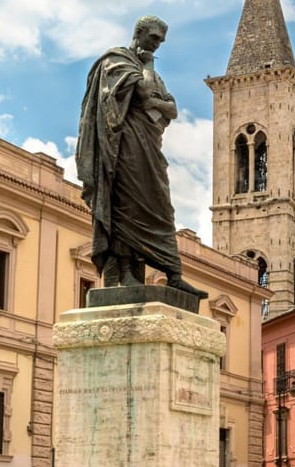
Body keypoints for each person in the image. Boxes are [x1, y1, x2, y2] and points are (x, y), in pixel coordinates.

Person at [76, 16, 208, 299]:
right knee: (128, 207)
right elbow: (145, 93)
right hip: (125, 150)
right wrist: (148, 69)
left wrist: (156, 102)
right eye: (153, 39)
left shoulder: (151, 73)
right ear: (138, 33)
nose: (157, 45)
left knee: (162, 208)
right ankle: (126, 274)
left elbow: (171, 108)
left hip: (150, 149)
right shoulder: (117, 62)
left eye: (160, 41)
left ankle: (173, 274)